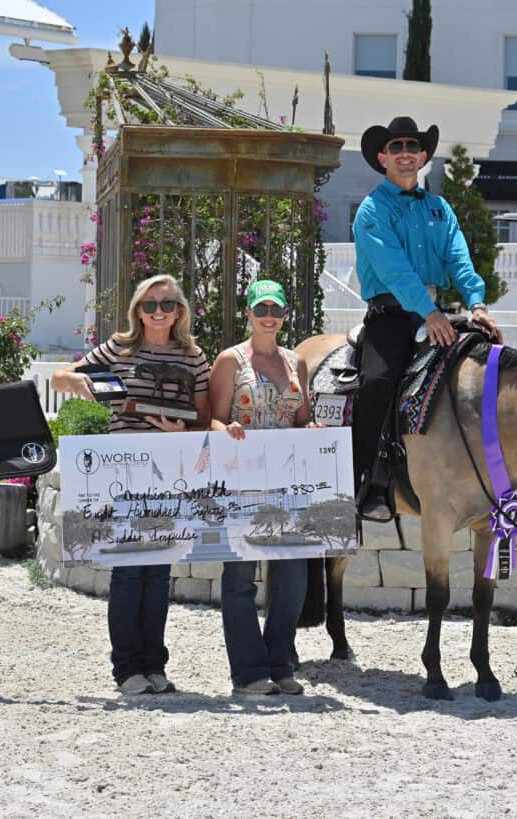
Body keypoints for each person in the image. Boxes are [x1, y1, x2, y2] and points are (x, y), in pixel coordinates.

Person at [51, 274, 210, 696]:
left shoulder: (193, 356)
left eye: (167, 304)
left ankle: (154, 664)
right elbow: (59, 377)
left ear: (180, 311)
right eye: (150, 304)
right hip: (123, 469)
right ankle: (127, 669)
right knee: (127, 571)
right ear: (137, 309)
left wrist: (182, 431)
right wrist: (78, 382)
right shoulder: (119, 347)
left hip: (171, 468)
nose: (158, 312)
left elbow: (205, 417)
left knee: (158, 573)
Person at [352, 116, 501, 518]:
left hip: (439, 313)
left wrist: (477, 304)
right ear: (383, 158)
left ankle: (508, 477)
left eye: (411, 148)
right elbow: (393, 269)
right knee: (378, 383)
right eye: (396, 148)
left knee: (495, 376)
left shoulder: (440, 209)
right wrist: (428, 312)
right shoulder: (371, 210)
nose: (404, 155)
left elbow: (459, 259)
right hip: (392, 314)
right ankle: (365, 481)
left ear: (423, 157)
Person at [209, 280, 319, 696]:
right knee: (240, 576)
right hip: (240, 480)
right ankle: (248, 672)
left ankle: (280, 662)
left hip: (287, 480)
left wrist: (314, 429)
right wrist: (228, 428)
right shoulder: (230, 360)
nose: (269, 315)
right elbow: (213, 418)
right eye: (261, 308)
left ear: (285, 314)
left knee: (293, 575)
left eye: (276, 309)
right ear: (249, 313)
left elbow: (301, 419)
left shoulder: (296, 363)